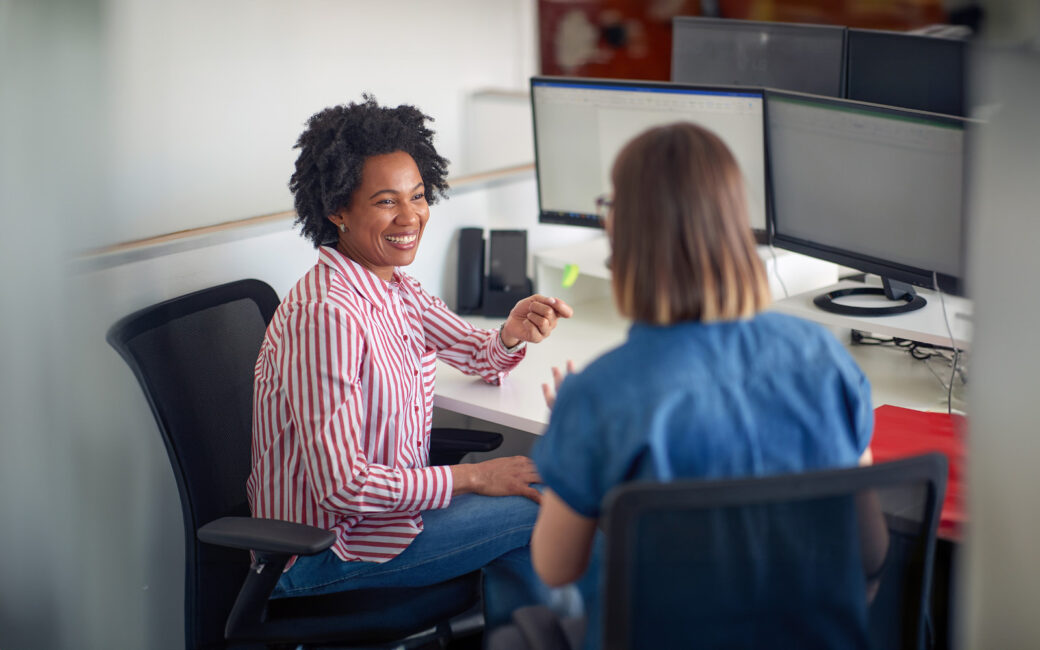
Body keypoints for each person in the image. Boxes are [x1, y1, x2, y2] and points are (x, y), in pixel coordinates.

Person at [529, 122, 876, 648]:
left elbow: (555, 568)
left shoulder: (600, 395)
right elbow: (869, 549)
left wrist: (577, 439)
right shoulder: (824, 358)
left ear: (625, 236)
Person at [246, 95, 575, 629]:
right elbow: (343, 486)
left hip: (393, 520)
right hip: (326, 550)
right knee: (552, 508)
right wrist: (472, 479)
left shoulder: (394, 287)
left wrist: (512, 333)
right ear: (337, 211)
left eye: (419, 196)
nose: (411, 216)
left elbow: (477, 353)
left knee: (541, 506)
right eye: (385, 201)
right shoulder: (326, 315)